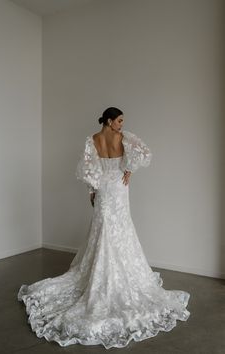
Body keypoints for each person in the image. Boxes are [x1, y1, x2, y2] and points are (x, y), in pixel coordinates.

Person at [17, 107, 190, 349]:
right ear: (110, 121)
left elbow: (88, 170)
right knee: (119, 229)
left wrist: (92, 191)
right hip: (119, 188)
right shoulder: (124, 138)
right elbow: (145, 153)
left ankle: (100, 271)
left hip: (103, 193)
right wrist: (129, 169)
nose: (121, 124)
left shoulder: (93, 140)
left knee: (104, 229)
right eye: (119, 120)